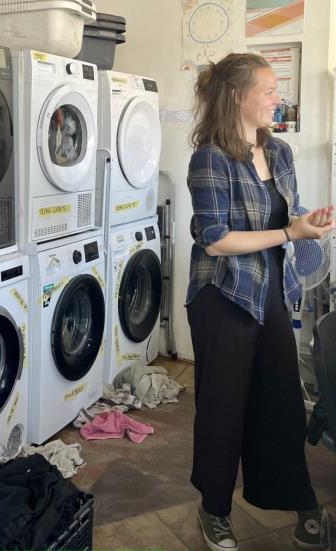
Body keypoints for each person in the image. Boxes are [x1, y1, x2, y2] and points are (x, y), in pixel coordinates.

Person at [186, 52, 335, 551]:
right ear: (237, 96)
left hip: (271, 287)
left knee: (282, 402)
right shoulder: (210, 157)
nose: (278, 100)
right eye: (269, 91)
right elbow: (215, 239)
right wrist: (288, 231)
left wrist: (306, 225)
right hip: (223, 293)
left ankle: (300, 501)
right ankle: (215, 510)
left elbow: (287, 219)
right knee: (223, 407)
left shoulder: (281, 152)